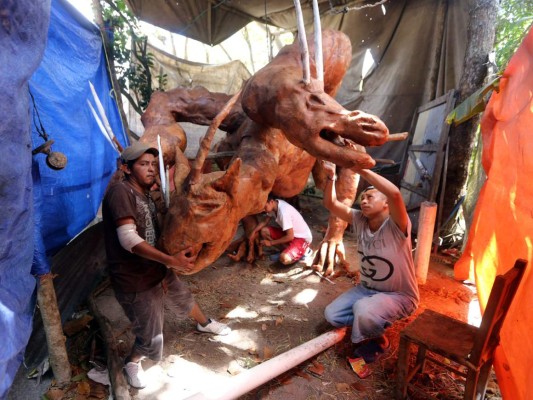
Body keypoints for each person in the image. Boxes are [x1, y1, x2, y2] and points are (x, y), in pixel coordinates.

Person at [102, 141, 230, 389]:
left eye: (153, 164)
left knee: (182, 296)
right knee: (151, 338)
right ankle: (132, 362)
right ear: (126, 168)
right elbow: (128, 239)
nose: (151, 169)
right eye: (143, 164)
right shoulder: (121, 192)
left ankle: (205, 324)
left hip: (155, 267)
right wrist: (171, 260)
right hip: (134, 278)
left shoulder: (146, 192)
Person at [321, 160, 419, 364]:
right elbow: (330, 204)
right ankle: (368, 322)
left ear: (386, 204)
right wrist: (332, 176)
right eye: (362, 197)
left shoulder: (397, 225)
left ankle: (378, 343)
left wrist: (361, 170)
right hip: (367, 289)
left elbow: (395, 194)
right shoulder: (359, 219)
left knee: (365, 309)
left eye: (370, 197)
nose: (363, 201)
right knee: (332, 315)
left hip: (399, 295)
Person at [252, 193, 313, 265]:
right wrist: (253, 232)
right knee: (264, 231)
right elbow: (265, 221)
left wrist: (270, 243)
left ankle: (303, 252)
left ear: (271, 202)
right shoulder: (275, 204)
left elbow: (290, 237)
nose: (263, 210)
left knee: (284, 259)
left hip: (302, 238)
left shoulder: (283, 213)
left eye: (264, 207)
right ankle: (289, 250)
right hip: (291, 233)